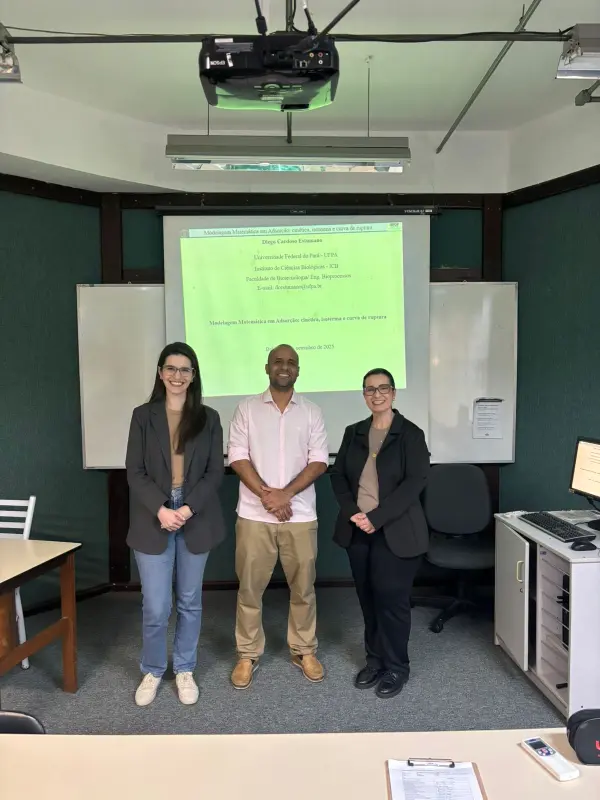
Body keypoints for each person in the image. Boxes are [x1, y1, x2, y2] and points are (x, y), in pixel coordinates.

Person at [125, 342, 225, 707]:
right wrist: (162, 509)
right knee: (155, 605)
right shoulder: (142, 415)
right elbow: (134, 472)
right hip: (153, 514)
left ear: (193, 375)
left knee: (189, 601)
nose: (178, 376)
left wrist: (186, 510)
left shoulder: (209, 417)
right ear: (160, 373)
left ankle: (184, 668)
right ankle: (152, 669)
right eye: (171, 368)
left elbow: (216, 472)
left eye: (185, 370)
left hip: (194, 513)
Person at [227, 344, 329, 689]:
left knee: (303, 588)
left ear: (297, 370)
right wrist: (268, 497)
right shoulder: (246, 409)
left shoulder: (312, 412)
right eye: (278, 362)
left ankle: (303, 649)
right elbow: (238, 457)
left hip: (299, 515)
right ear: (267, 367)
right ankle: (247, 654)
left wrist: (285, 494)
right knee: (250, 588)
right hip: (255, 516)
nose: (284, 367)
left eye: (291, 363)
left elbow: (319, 460)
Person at [330, 368, 429, 699]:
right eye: (370, 389)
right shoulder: (353, 432)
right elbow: (339, 476)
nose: (377, 394)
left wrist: (378, 517)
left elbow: (414, 484)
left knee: (392, 602)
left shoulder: (411, 435)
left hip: (396, 532)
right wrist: (353, 513)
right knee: (368, 599)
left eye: (383, 388)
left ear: (393, 393)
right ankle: (374, 660)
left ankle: (397, 666)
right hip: (357, 530)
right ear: (364, 395)